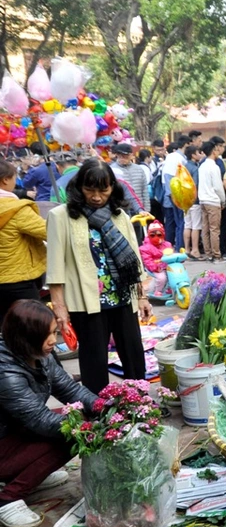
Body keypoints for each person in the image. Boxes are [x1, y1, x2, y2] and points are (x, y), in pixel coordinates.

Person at [46, 159, 152, 395]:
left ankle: (140, 403)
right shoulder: (61, 216)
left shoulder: (119, 215)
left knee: (133, 353)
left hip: (123, 295)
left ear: (112, 187)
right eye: (89, 189)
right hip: (87, 301)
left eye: (103, 190)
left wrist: (142, 297)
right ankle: (98, 410)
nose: (96, 197)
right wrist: (60, 307)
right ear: (79, 186)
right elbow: (55, 267)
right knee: (94, 358)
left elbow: (133, 259)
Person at [0, 300, 98, 527]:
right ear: (25, 337)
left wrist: (105, 406)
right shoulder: (5, 371)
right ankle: (8, 498)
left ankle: (33, 474)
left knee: (76, 419)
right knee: (71, 434)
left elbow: (70, 390)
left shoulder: (36, 353)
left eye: (54, 333)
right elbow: (41, 420)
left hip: (16, 430)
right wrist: (89, 430)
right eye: (47, 335)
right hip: (4, 441)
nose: (54, 340)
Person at [0, 160, 46, 325]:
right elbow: (50, 232)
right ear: (5, 179)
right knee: (30, 329)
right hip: (18, 282)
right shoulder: (16, 209)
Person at [197, 141, 226, 262]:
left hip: (203, 200)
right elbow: (218, 187)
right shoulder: (214, 167)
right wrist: (223, 200)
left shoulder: (202, 166)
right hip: (213, 201)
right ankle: (216, 255)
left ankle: (208, 253)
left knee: (205, 228)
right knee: (214, 229)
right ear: (213, 151)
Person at [161, 140, 186, 251]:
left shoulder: (168, 160)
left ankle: (172, 246)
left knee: (175, 222)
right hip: (178, 194)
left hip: (170, 195)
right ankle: (180, 246)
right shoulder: (178, 158)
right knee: (181, 222)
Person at [110, 143, 148, 214]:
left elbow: (145, 190)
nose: (122, 158)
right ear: (117, 155)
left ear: (131, 155)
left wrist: (146, 209)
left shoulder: (139, 169)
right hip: (122, 209)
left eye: (125, 156)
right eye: (120, 156)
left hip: (140, 208)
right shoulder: (112, 170)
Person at [139, 221, 172, 299]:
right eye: (152, 235)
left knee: (174, 273)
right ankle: (158, 290)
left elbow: (172, 255)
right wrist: (155, 267)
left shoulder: (167, 244)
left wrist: (179, 259)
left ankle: (170, 288)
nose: (156, 237)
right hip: (155, 267)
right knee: (162, 278)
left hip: (167, 265)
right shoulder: (145, 248)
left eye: (159, 235)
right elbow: (147, 261)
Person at [182, 145, 203, 261]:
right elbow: (195, 185)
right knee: (196, 226)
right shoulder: (195, 168)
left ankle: (187, 249)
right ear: (193, 155)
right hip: (194, 201)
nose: (200, 154)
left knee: (187, 225)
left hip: (184, 201)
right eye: (198, 152)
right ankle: (195, 250)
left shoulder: (184, 167)